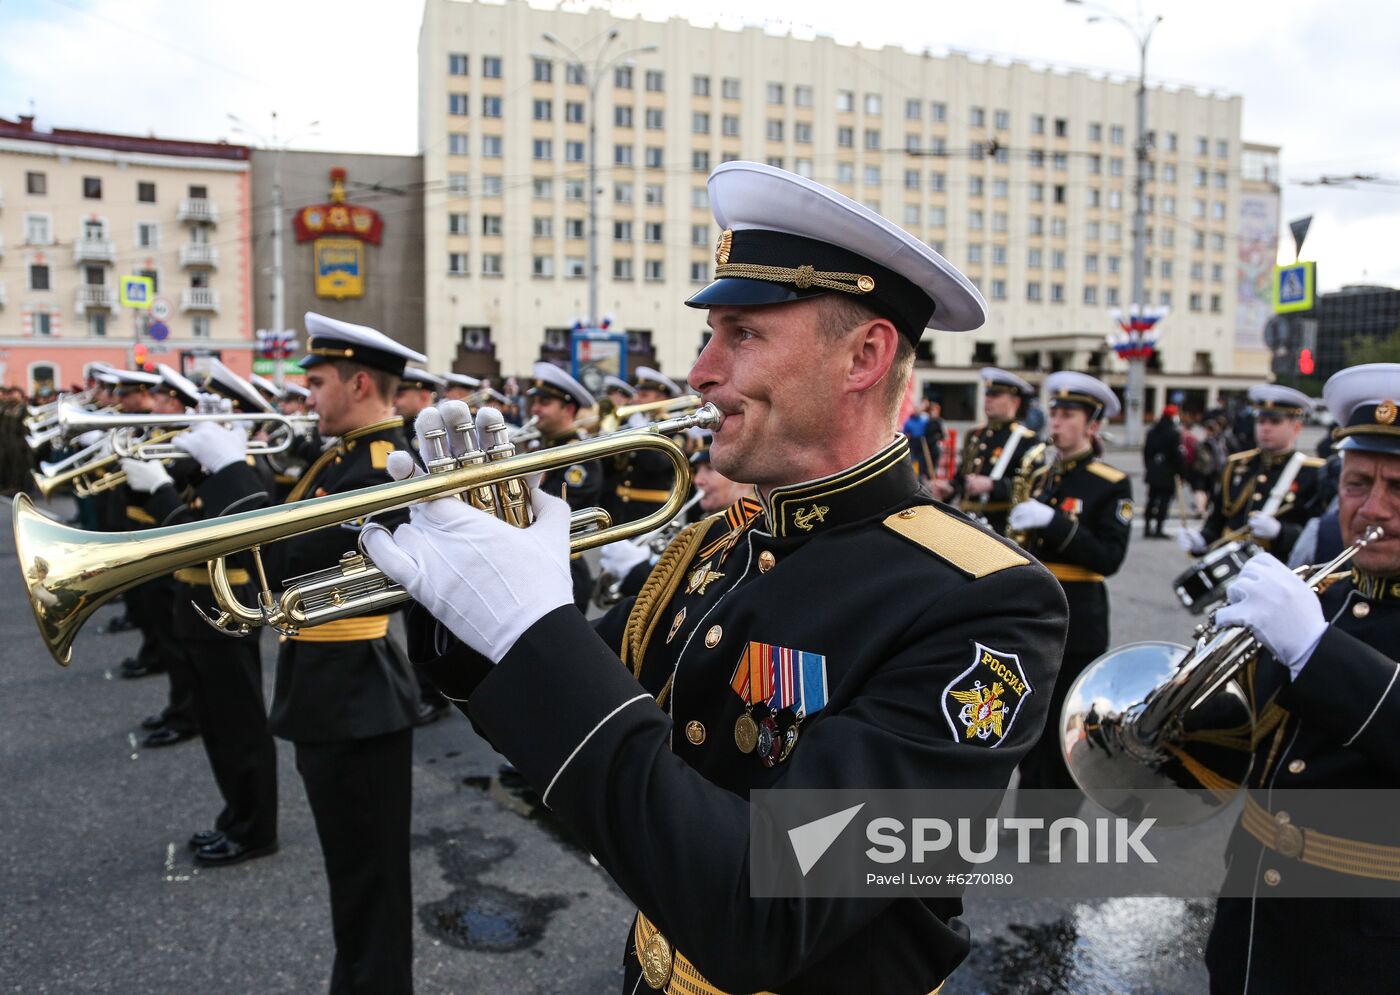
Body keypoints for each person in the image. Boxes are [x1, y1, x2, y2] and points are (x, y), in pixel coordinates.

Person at [365, 161, 1068, 993]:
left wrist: (535, 628)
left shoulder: (984, 602)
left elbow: (766, 906)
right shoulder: (707, 548)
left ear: (865, 356)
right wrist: (469, 596)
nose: (702, 370)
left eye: (742, 333)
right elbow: (567, 729)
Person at [181, 313, 423, 995]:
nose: (305, 395)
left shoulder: (381, 465)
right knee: (356, 889)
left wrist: (232, 471)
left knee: (369, 893)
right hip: (331, 692)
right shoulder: (346, 454)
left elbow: (283, 562)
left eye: (316, 382)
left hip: (356, 696)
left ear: (361, 382)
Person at [1203, 363, 1400, 993]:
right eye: (1358, 483)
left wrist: (1313, 648)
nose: (1374, 509)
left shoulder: (1313, 616)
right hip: (1255, 906)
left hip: (1366, 938)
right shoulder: (1328, 587)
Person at [119, 363, 280, 866]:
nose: (201, 416)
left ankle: (255, 827)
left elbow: (198, 536)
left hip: (226, 608)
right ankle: (234, 815)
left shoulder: (248, 471)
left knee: (240, 726)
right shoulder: (212, 467)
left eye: (214, 408)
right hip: (197, 607)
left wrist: (162, 489)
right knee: (214, 724)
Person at [1006, 372, 1133, 852]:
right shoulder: (1043, 473)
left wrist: (1054, 521)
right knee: (1028, 723)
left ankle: (1050, 833)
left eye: (1067, 416)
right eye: (1054, 413)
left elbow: (1109, 558)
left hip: (1079, 615)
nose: (1056, 423)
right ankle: (1028, 824)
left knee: (1061, 727)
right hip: (1032, 609)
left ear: (1092, 424)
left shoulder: (1110, 483)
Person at [1179, 385, 1327, 563]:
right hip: (1233, 565)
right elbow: (1218, 521)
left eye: (1275, 422)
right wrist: (1201, 539)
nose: (1265, 428)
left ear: (1296, 427)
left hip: (1279, 568)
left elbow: (1318, 537)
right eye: (1261, 421)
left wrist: (1281, 532)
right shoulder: (1236, 465)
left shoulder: (1312, 472)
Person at [526, 361, 603, 609]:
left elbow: (561, 508)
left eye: (544, 403)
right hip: (537, 563)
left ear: (568, 409)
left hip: (564, 567)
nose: (535, 409)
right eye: (535, 402)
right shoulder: (543, 445)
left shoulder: (578, 454)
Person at [931, 368, 1039, 534]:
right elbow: (963, 476)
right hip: (968, 522)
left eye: (995, 395)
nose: (988, 400)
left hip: (1000, 527)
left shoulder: (1026, 439)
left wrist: (992, 485)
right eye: (987, 394)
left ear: (1015, 402)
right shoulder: (976, 435)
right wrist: (950, 488)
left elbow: (1031, 489)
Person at [605, 366, 687, 525]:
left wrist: (642, 433)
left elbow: (657, 464)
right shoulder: (631, 424)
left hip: (651, 511)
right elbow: (610, 467)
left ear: (661, 398)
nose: (637, 400)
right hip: (620, 508)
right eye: (638, 395)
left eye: (644, 395)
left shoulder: (675, 430)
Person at [1143, 403, 1184, 537]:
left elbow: (1146, 452)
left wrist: (1149, 466)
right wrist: (1181, 471)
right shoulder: (1173, 433)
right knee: (1164, 501)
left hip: (1154, 470)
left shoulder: (1153, 431)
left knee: (1151, 499)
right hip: (1168, 472)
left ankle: (1148, 527)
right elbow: (1176, 455)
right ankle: (1159, 528)